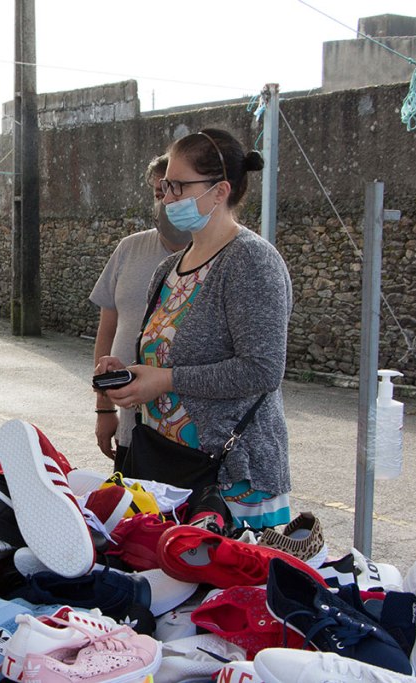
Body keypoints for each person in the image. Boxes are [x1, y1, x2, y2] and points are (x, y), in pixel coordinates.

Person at [97, 128, 292, 530]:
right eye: (166, 186)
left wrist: (166, 379)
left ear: (220, 192)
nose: (167, 198)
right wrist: (129, 376)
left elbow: (262, 370)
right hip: (166, 469)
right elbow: (162, 360)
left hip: (229, 479)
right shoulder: (168, 269)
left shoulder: (251, 262)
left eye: (179, 187)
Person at [91, 154, 192, 465]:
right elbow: (108, 331)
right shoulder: (129, 249)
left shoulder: (223, 259)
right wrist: (105, 408)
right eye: (158, 194)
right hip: (132, 432)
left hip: (188, 440)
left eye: (173, 192)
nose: (164, 203)